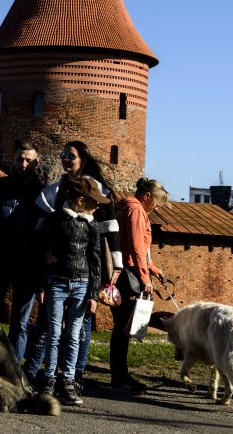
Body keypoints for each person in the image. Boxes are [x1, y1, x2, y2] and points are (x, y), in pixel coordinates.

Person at [24, 140, 122, 390]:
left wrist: (117, 266)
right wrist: (44, 255)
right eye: (63, 154)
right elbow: (41, 227)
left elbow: (111, 231)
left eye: (71, 155)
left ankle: (74, 375)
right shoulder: (56, 190)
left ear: (83, 159)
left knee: (81, 325)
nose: (66, 158)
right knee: (49, 326)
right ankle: (35, 372)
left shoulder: (95, 189)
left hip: (88, 266)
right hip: (59, 270)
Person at [30, 176, 105, 407]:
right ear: (81, 199)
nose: (98, 205)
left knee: (73, 335)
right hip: (56, 281)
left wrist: (93, 293)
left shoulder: (92, 224)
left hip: (81, 284)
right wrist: (42, 281)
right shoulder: (56, 219)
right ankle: (49, 379)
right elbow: (42, 248)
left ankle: (68, 381)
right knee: (53, 333)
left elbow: (95, 260)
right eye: (95, 200)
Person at [0, 141, 44, 362]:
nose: (23, 164)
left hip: (27, 267)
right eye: (20, 159)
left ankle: (13, 373)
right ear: (13, 158)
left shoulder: (42, 194)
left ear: (37, 162)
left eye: (29, 160)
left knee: (20, 324)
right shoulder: (0, 187)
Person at [109, 177, 169, 394]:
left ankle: (121, 375)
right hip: (130, 274)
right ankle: (119, 379)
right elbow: (135, 248)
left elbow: (139, 249)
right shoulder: (135, 210)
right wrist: (145, 278)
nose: (155, 209)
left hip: (129, 270)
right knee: (124, 328)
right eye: (156, 204)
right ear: (147, 196)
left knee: (123, 328)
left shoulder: (130, 207)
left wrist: (153, 269)